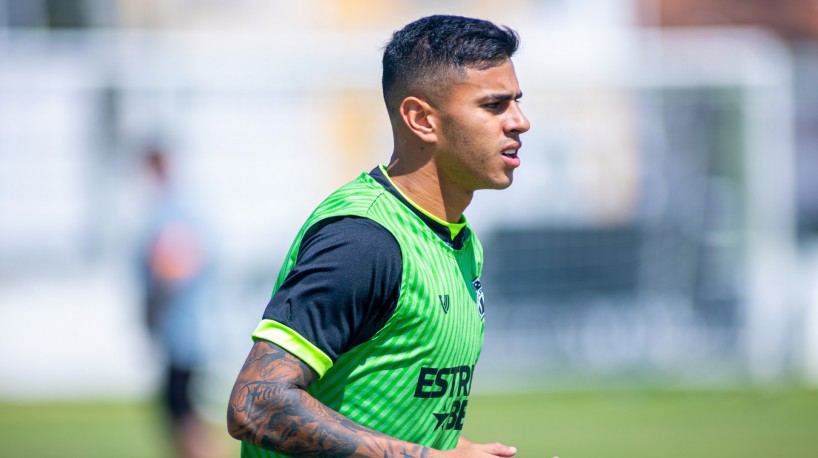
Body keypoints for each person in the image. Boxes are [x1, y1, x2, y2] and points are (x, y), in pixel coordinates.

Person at [227, 14, 530, 458]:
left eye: (517, 102)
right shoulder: (364, 241)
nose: (520, 121)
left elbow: (387, 418)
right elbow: (256, 404)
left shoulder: (458, 241)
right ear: (421, 120)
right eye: (494, 105)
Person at [139, 147, 216, 458]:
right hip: (188, 327)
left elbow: (174, 264)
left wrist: (151, 307)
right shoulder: (184, 206)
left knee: (181, 411)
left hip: (182, 329)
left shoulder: (169, 209)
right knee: (181, 409)